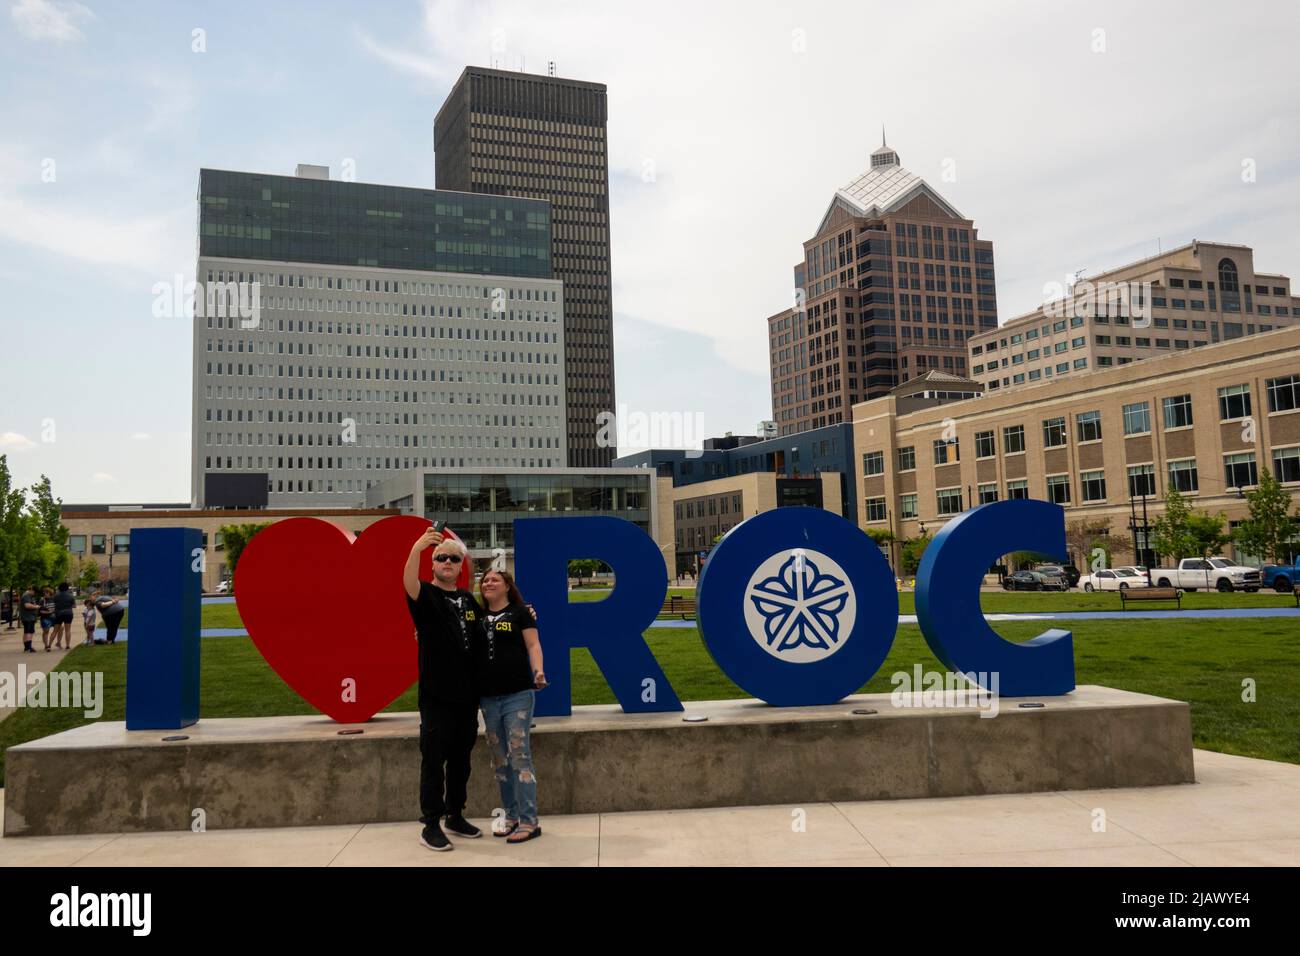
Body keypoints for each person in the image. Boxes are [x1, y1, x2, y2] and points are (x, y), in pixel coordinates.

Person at [403, 527, 483, 852]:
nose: (447, 562)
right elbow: (407, 582)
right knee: (433, 761)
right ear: (433, 564)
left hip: (466, 697)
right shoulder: (425, 595)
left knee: (462, 760)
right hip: (437, 695)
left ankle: (455, 815)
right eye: (441, 558)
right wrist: (417, 548)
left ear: (460, 565)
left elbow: (482, 630)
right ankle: (431, 824)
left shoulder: (465, 598)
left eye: (453, 558)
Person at [476, 568, 546, 843]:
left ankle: (530, 821)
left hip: (517, 694)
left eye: (495, 579)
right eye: (485, 580)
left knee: (519, 756)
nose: (488, 582)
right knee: (500, 760)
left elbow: (533, 645)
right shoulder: (477, 617)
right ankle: (512, 816)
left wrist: (538, 671)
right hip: (488, 698)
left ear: (507, 586)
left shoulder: (521, 613)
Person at [51, 582, 76, 651]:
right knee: (67, 630)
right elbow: (74, 606)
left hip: (58, 614)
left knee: (55, 630)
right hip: (68, 613)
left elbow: (53, 604)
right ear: (67, 588)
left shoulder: (56, 596)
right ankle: (67, 645)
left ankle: (49, 645)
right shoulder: (70, 596)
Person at [18, 585, 41, 653]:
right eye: (34, 592)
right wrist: (35, 607)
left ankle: (27, 647)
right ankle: (28, 647)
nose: (34, 594)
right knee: (29, 632)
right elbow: (27, 605)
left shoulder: (28, 596)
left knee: (28, 632)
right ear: (31, 590)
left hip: (30, 617)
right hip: (28, 617)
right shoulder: (26, 596)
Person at [39, 587, 56, 652]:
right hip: (45, 618)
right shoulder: (42, 600)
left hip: (53, 618)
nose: (45, 594)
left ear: (50, 593)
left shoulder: (53, 599)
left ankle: (50, 644)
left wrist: (54, 612)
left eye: (47, 593)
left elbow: (56, 608)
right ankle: (46, 645)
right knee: (46, 631)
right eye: (44, 593)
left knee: (60, 628)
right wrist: (49, 612)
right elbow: (40, 611)